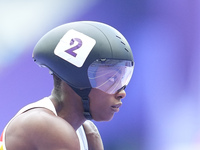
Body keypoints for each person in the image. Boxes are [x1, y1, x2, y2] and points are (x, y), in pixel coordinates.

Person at [0, 21, 134, 150]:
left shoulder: (88, 133)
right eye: (111, 79)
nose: (122, 93)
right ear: (78, 81)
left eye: (122, 79)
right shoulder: (45, 125)